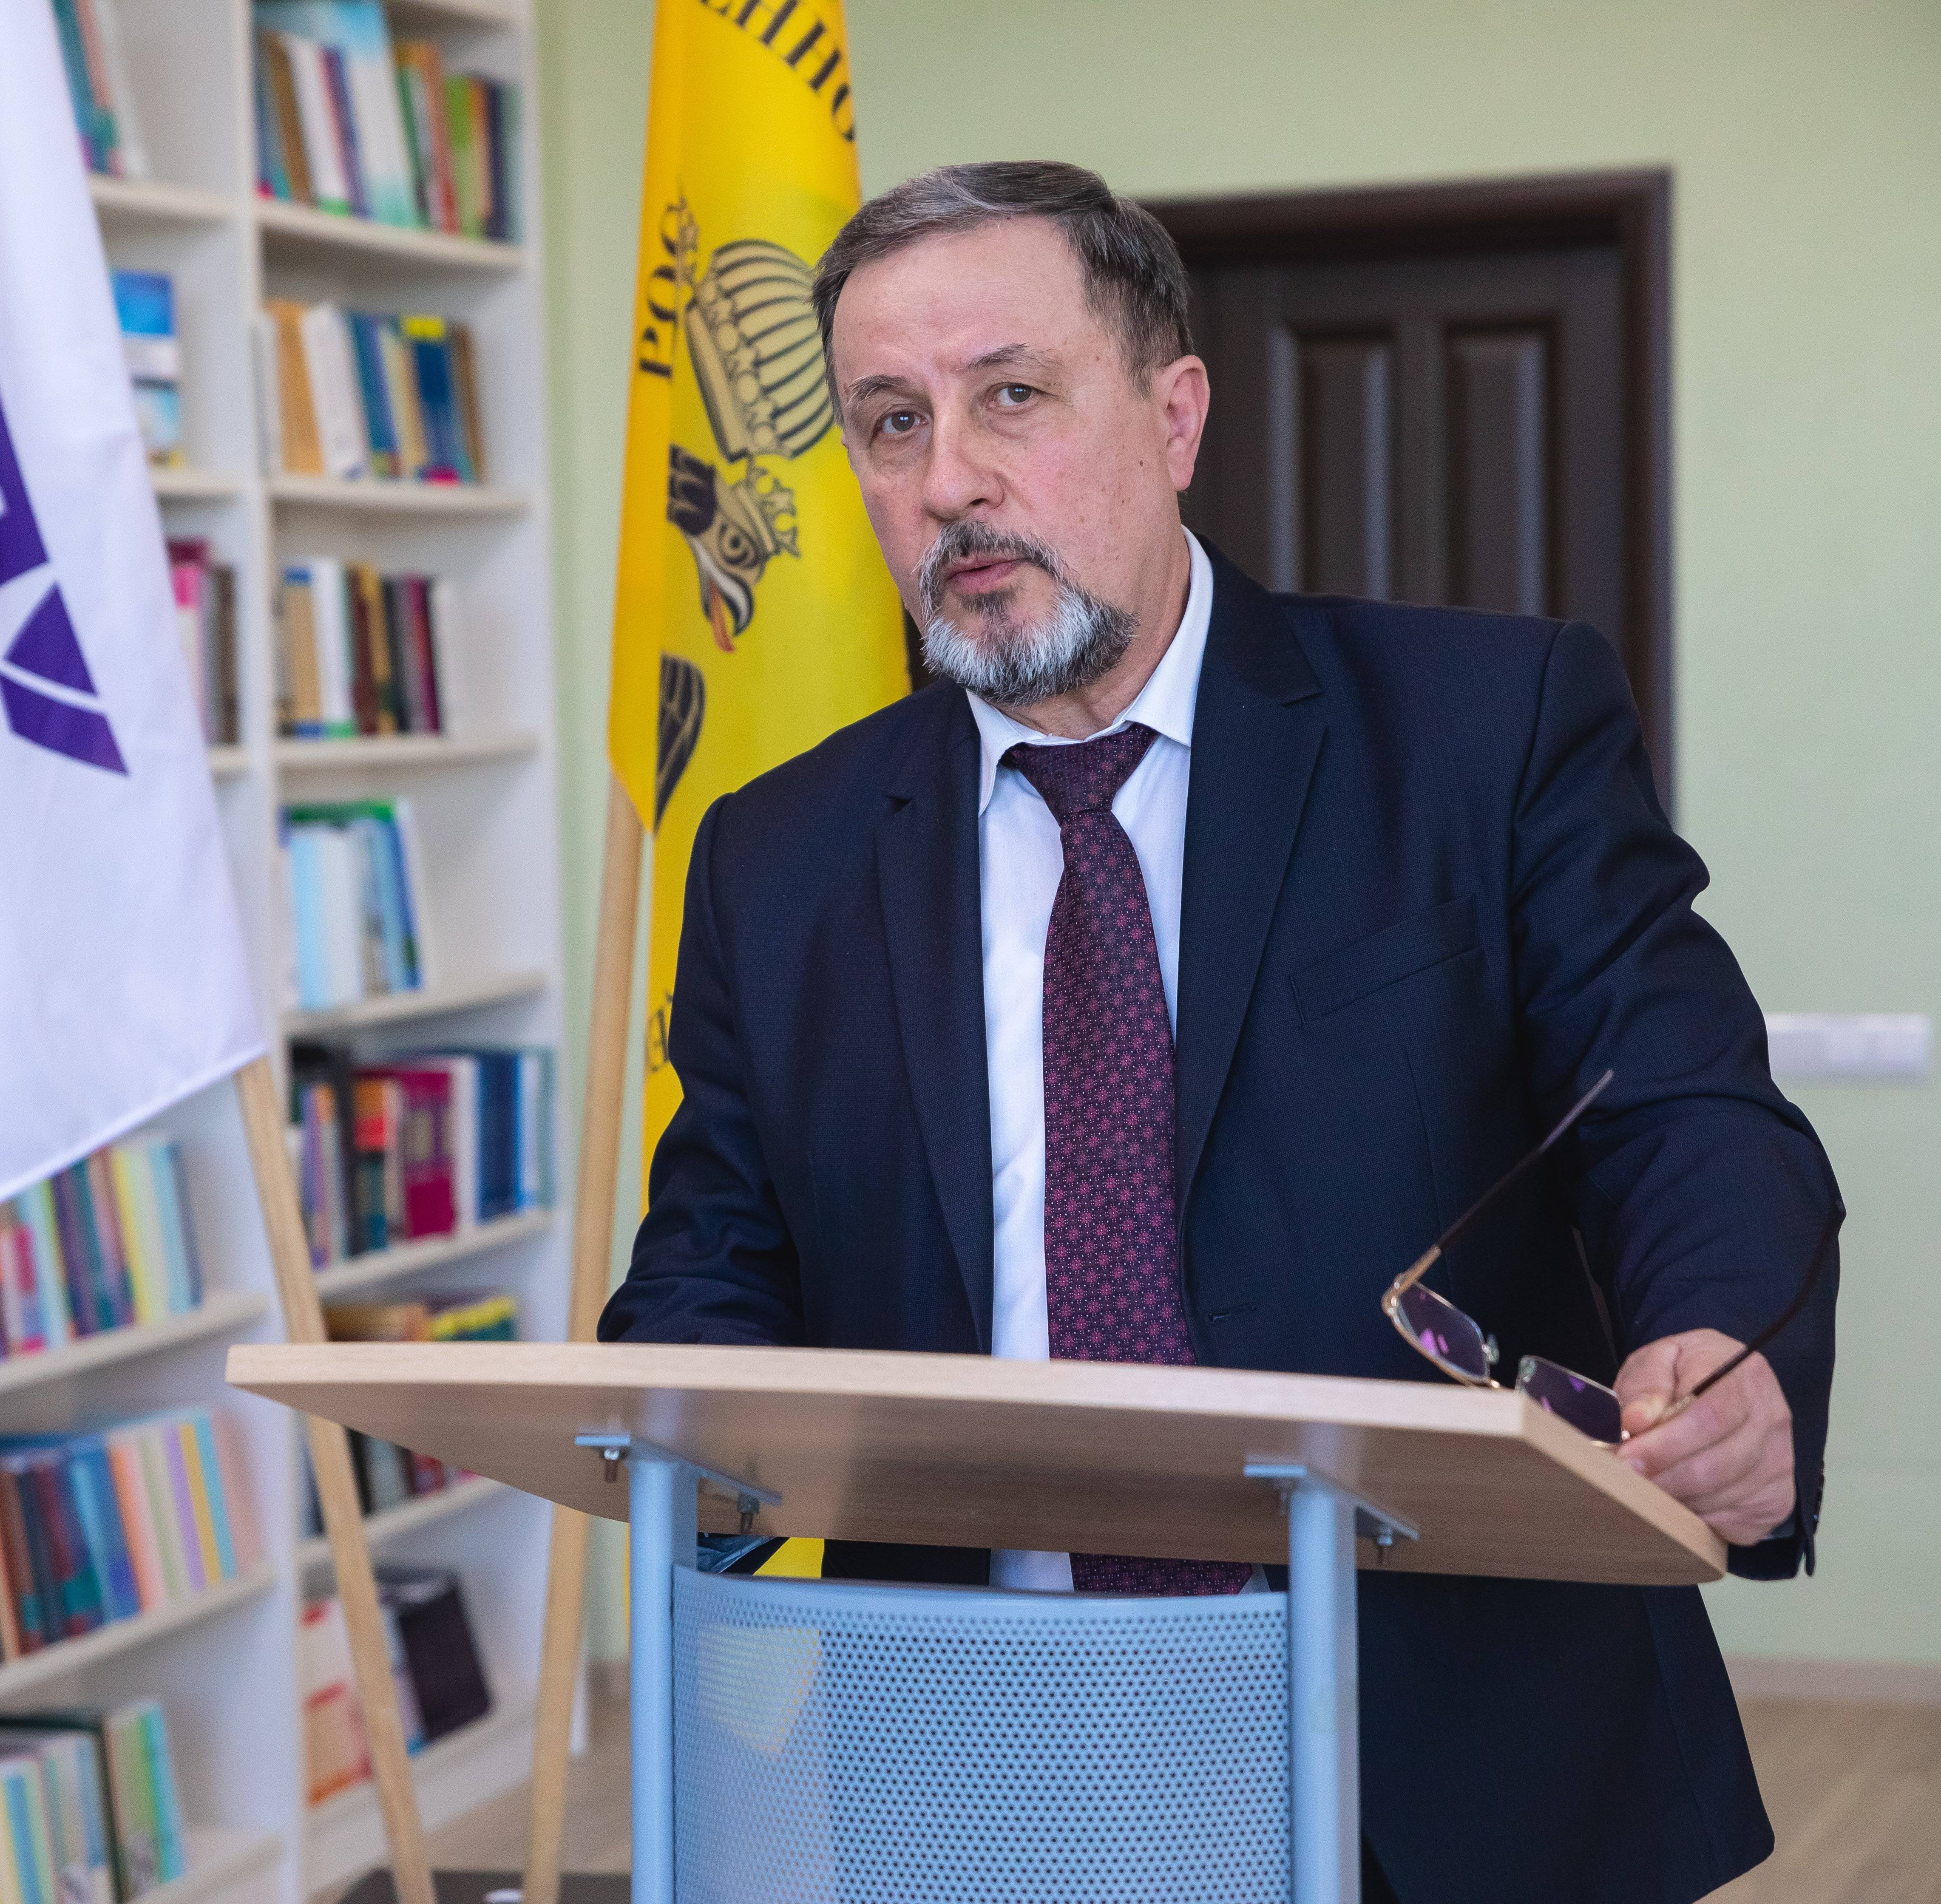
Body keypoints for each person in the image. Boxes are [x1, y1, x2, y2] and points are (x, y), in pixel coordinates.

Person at [599, 160, 1841, 1904]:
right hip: (976, 1758)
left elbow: (1679, 1101)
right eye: (890, 422)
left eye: (1010, 396)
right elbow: (717, 1263)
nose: (948, 480)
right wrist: (658, 1414)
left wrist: (1724, 1342)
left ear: (1175, 417)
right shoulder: (776, 854)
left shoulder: (1486, 727)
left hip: (1453, 1750)